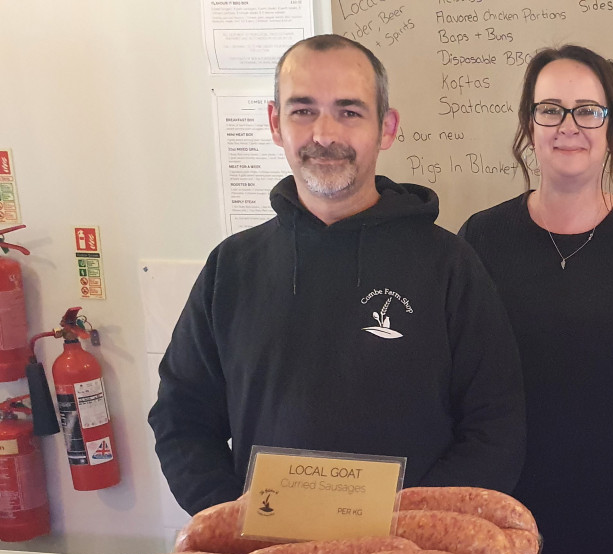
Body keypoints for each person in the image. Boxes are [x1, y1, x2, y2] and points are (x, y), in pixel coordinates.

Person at [149, 35, 525, 515]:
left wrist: (414, 531)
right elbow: (181, 417)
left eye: (349, 112)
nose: (324, 135)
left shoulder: (450, 265)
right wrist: (232, 521)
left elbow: (496, 427)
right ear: (275, 123)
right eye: (303, 110)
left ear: (385, 128)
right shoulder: (231, 268)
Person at [460, 46, 613, 554]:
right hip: (500, 505)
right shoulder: (480, 238)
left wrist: (612, 448)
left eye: (588, 110)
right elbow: (461, 377)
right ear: (529, 124)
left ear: (612, 127)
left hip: (609, 505)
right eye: (551, 109)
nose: (569, 126)